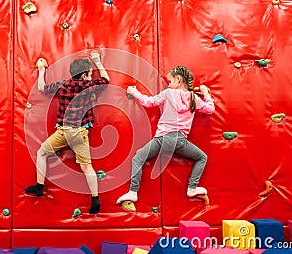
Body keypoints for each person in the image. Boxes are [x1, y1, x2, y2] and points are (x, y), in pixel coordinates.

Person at [25, 51, 109, 214]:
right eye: (90, 74)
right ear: (84, 76)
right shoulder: (88, 86)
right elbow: (106, 80)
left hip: (64, 132)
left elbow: (42, 87)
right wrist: (98, 61)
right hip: (81, 133)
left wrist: (42, 70)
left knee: (41, 153)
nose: (92, 77)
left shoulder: (63, 85)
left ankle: (39, 186)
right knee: (87, 167)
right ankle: (95, 199)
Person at [116, 65, 215, 204]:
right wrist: (205, 93)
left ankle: (133, 192)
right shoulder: (194, 98)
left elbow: (149, 102)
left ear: (178, 79)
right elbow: (210, 109)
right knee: (202, 158)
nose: (169, 84)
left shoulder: (169, 93)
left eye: (170, 81)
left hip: (162, 139)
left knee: (137, 159)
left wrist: (134, 92)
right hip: (179, 141)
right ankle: (192, 187)